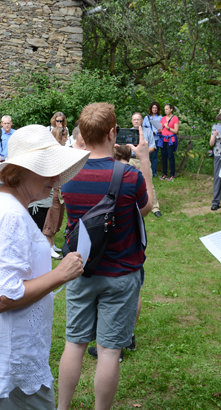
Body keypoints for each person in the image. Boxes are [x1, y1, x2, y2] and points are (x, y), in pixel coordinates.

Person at [0, 125, 88, 409]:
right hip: (9, 364)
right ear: (19, 172)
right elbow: (3, 297)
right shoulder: (10, 216)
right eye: (45, 168)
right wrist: (60, 274)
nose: (55, 178)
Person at [58, 103, 154, 410]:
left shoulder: (68, 175)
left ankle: (62, 408)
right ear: (113, 132)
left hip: (79, 270)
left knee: (74, 343)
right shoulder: (128, 176)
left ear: (83, 135)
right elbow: (146, 206)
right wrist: (145, 163)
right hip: (122, 273)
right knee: (110, 351)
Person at [42, 127, 69, 259]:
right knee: (51, 216)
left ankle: (52, 245)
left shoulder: (61, 151)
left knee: (58, 216)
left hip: (60, 187)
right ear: (59, 137)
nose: (67, 139)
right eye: (65, 137)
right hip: (53, 188)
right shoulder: (52, 152)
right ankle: (47, 248)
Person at [131, 112, 162, 217]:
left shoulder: (148, 132)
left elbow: (153, 147)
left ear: (141, 121)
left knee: (149, 183)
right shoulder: (128, 132)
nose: (136, 121)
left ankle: (155, 207)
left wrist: (143, 153)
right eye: (134, 119)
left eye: (138, 119)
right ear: (132, 121)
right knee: (130, 183)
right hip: (131, 160)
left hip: (144, 160)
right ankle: (133, 206)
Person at [160, 103, 179, 181]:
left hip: (171, 140)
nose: (165, 111)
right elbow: (161, 128)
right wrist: (159, 129)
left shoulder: (175, 118)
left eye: (167, 109)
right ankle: (164, 174)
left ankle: (172, 175)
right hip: (163, 139)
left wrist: (168, 128)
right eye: (164, 109)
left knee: (171, 157)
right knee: (163, 157)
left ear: (171, 109)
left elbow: (176, 131)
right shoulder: (163, 118)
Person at [143, 102, 163, 176]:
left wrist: (157, 131)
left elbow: (161, 128)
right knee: (147, 155)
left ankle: (154, 172)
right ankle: (147, 171)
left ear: (158, 109)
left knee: (155, 156)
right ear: (151, 108)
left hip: (156, 138)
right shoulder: (146, 117)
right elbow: (143, 127)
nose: (154, 109)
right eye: (153, 108)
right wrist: (149, 131)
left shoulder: (160, 117)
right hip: (147, 139)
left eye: (156, 108)